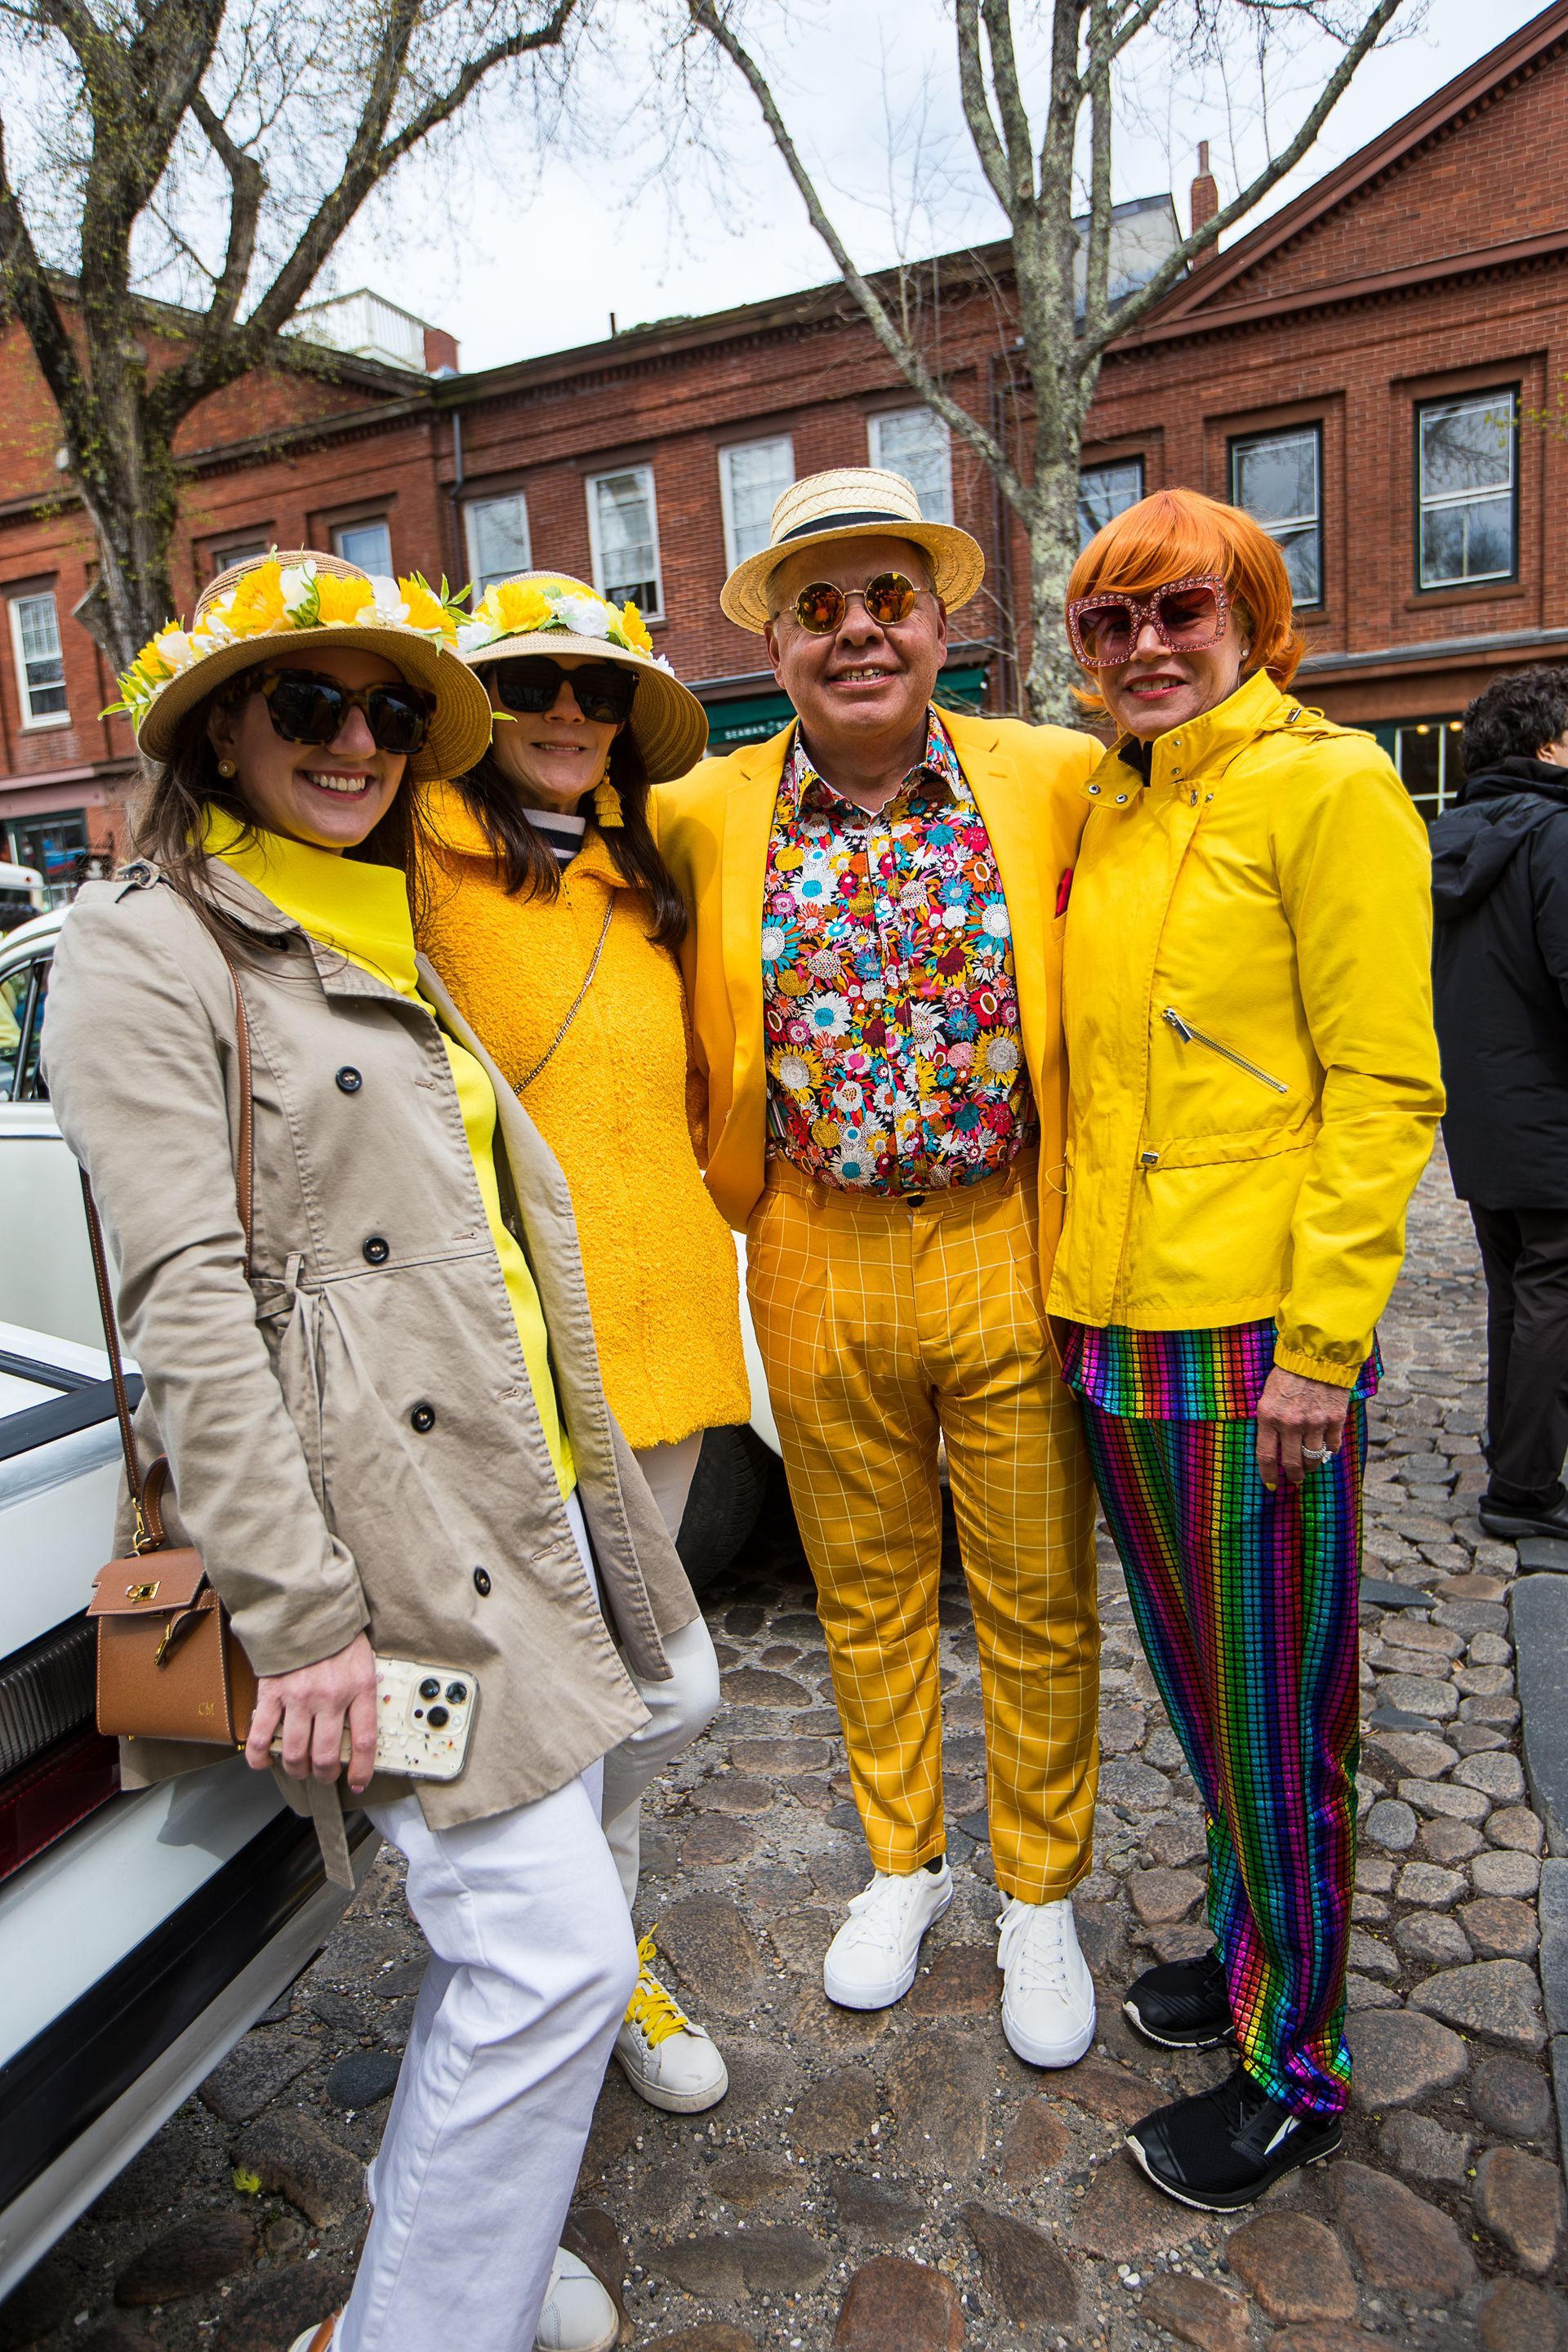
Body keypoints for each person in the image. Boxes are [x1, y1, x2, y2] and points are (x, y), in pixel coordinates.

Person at [43, 550, 707, 2352]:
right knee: (553, 1955)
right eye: (310, 702)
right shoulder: (147, 945)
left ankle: (458, 2252)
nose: (358, 741)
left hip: (518, 1501)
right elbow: (189, 1312)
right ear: (219, 728)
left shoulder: (373, 915)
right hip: (378, 1551)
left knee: (592, 1839)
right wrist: (309, 1620)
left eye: (394, 711)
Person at [657, 466, 1103, 2067]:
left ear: (939, 623)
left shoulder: (1052, 776)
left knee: (1036, 1593)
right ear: (775, 641)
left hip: (1002, 1234)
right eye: (819, 608)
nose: (857, 633)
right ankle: (905, 1862)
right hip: (809, 1240)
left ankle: (1039, 1893)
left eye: (888, 601)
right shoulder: (700, 809)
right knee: (866, 1587)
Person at [1051, 488, 1444, 2209]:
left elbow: (1387, 1085)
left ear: (1253, 618)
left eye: (1180, 611)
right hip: (1114, 1327)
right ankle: (1243, 1952)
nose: (1146, 646)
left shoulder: (1329, 784)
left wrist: (1324, 1345)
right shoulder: (1111, 801)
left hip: (1254, 1339)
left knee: (1282, 1719)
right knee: (1211, 1697)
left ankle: (1296, 2066)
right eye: (1110, 621)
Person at [416, 567, 748, 2112]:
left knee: (629, 1694)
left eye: (596, 689)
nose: (566, 712)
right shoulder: (413, 862)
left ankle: (611, 1958)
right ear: (477, 709)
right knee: (547, 1703)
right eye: (531, 685)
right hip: (511, 1359)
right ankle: (543, 1969)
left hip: (664, 1332)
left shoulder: (648, 874)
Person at [1430, 666, 1568, 1542]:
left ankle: (1513, 1451)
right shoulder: (1556, 833)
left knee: (1518, 1290)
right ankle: (1522, 1488)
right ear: (1549, 746)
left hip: (1481, 1109)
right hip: (1552, 1107)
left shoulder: (1447, 840)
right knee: (1554, 1293)